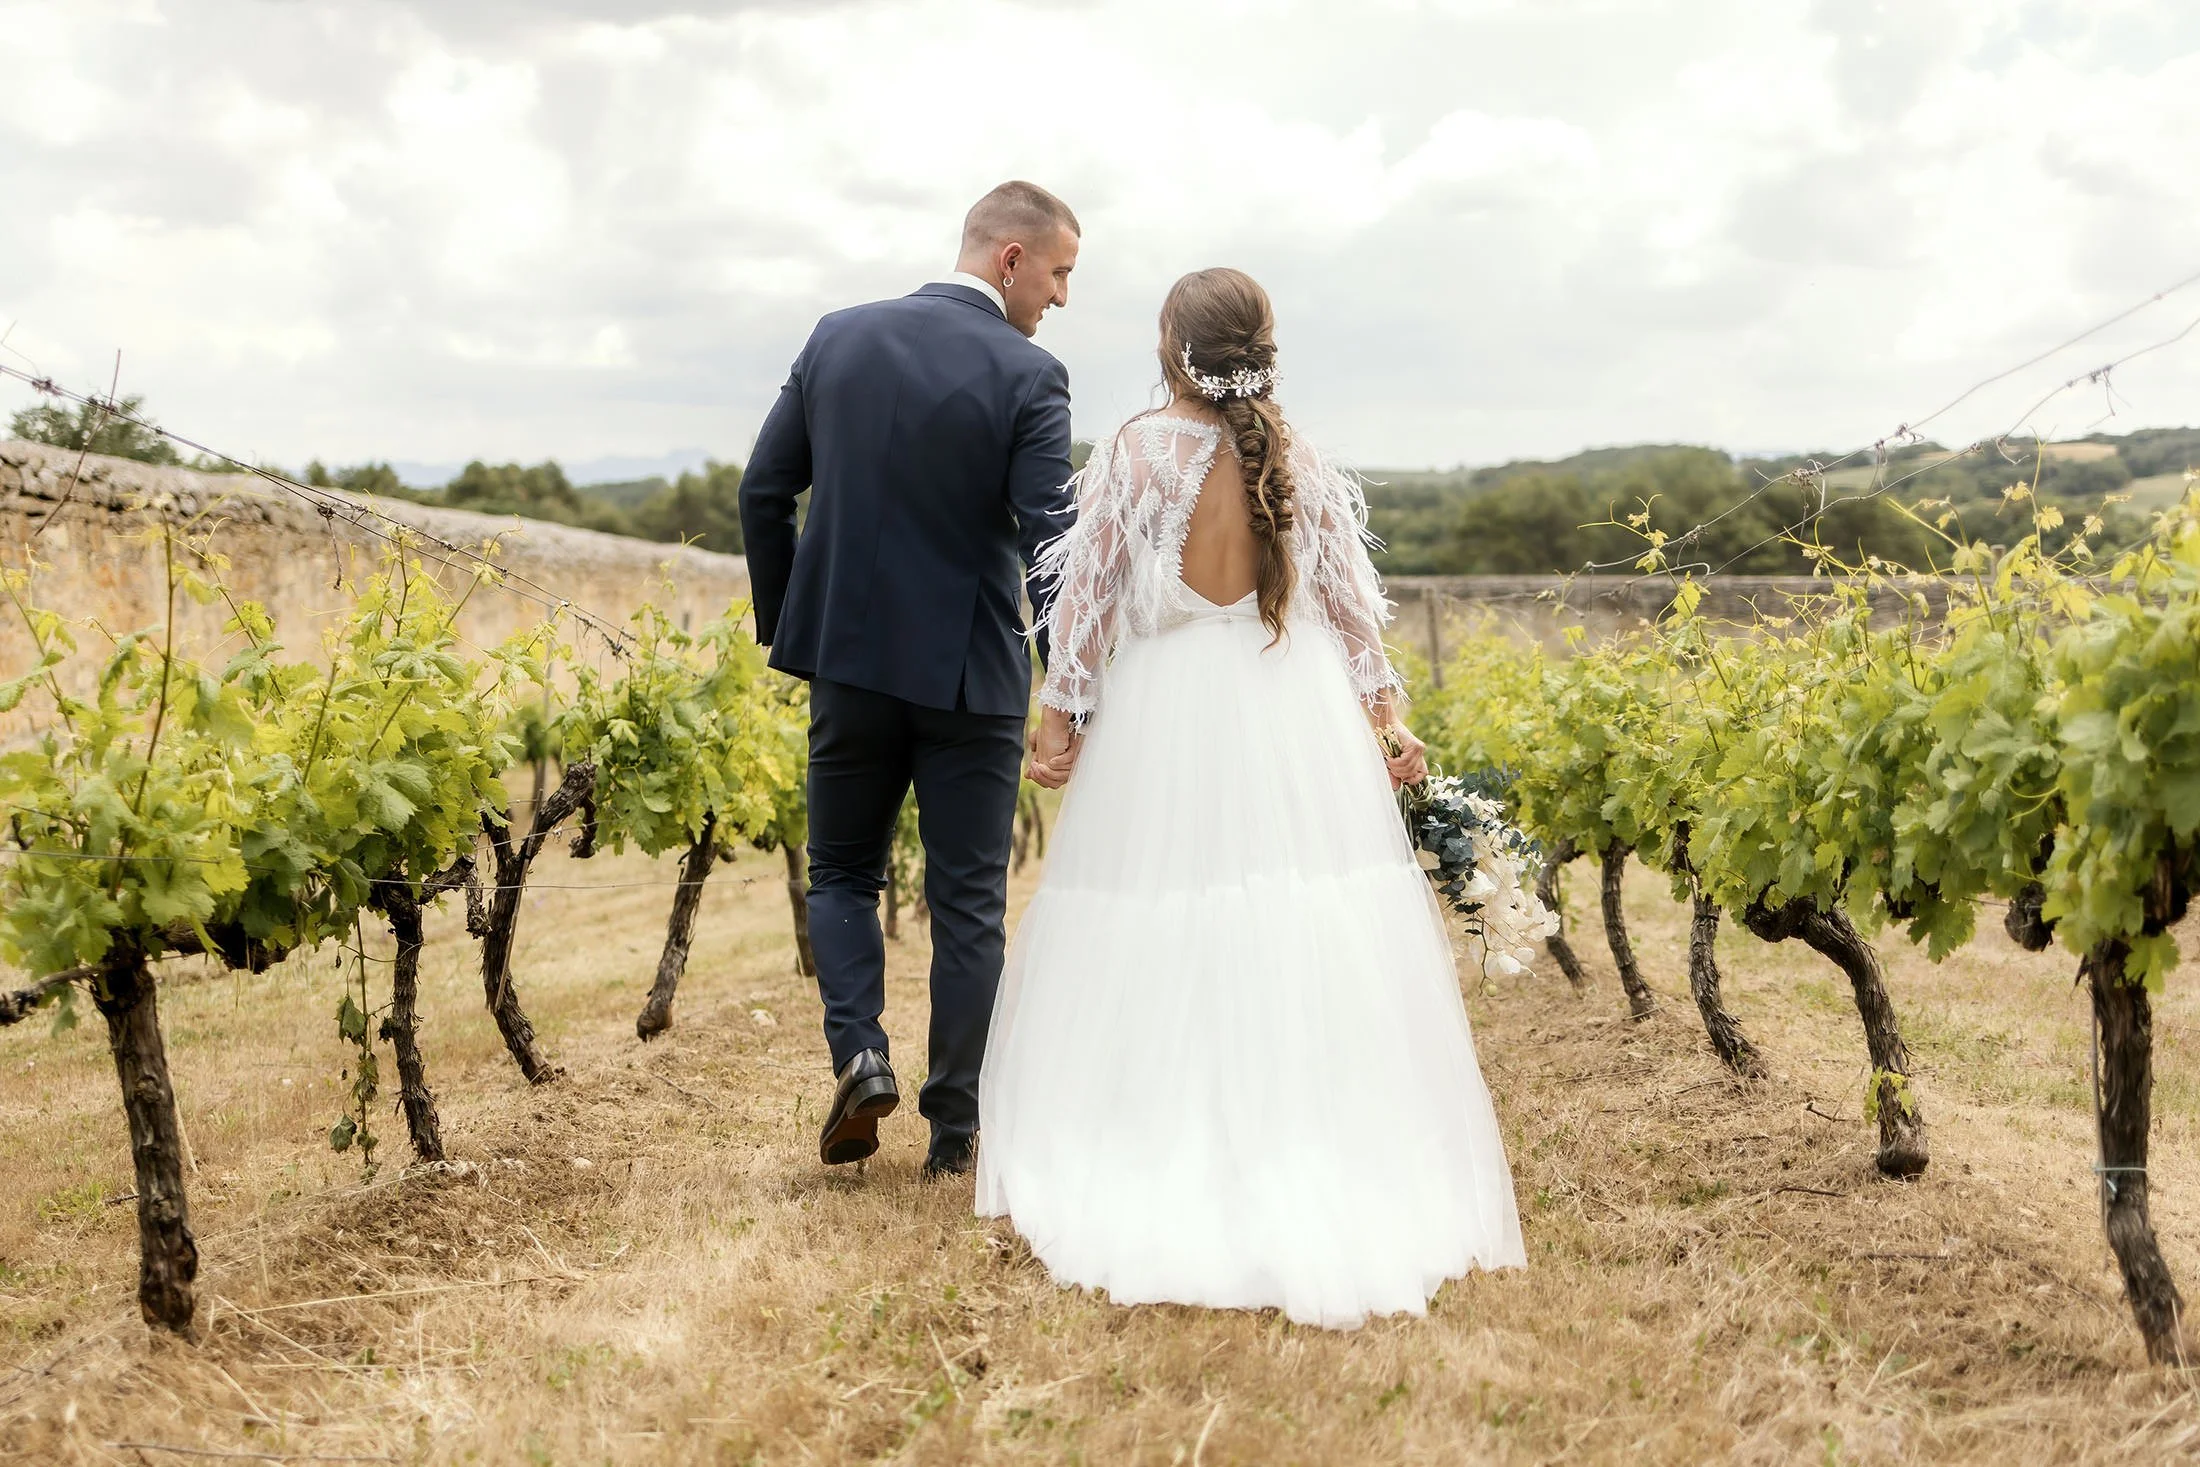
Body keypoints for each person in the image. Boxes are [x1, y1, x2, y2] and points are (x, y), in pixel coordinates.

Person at [975, 267, 1527, 1327]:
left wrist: (1061, 718)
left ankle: (1151, 1132)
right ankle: (1311, 1135)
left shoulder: (1136, 451)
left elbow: (1083, 596)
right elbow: (1348, 604)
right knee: (1304, 911)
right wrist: (1386, 718)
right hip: (1291, 703)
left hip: (1164, 711)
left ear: (1171, 347)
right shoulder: (1298, 454)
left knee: (1151, 913)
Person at [739, 181, 1080, 1178]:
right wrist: (1064, 687)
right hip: (969, 675)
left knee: (841, 872)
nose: (1061, 298)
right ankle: (955, 1132)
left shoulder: (837, 338)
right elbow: (1050, 543)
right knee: (968, 901)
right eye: (1059, 272)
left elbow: (764, 492)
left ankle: (859, 1052)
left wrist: (790, 629)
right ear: (1010, 260)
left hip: (846, 663)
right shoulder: (1031, 375)